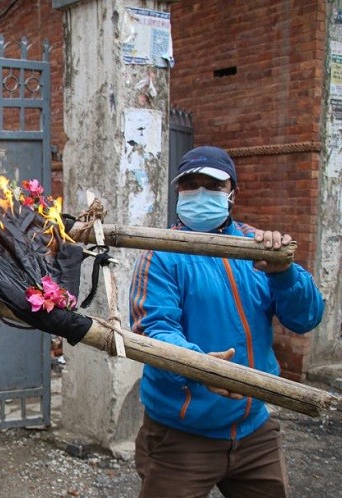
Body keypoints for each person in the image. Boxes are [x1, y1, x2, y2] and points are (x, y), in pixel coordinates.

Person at [128, 145, 325, 497]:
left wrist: (284, 272)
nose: (201, 193)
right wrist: (200, 367)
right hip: (182, 435)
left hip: (254, 431)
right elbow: (154, 332)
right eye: (192, 184)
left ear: (233, 192)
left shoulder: (256, 247)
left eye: (213, 185)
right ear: (178, 192)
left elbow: (306, 317)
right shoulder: (161, 254)